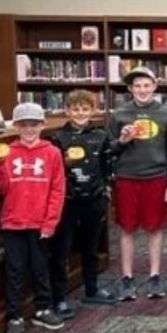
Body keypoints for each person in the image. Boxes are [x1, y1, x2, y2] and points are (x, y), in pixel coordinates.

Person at [0, 102, 66, 333]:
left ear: (42, 125)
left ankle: (43, 308)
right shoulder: (7, 152)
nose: (29, 129)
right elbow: (1, 189)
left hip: (40, 223)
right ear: (16, 126)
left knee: (41, 268)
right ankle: (15, 315)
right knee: (15, 270)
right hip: (13, 221)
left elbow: (57, 190)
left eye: (34, 124)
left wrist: (50, 222)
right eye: (24, 125)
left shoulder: (52, 153)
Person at [107, 65, 167, 301]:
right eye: (137, 86)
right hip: (126, 177)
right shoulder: (118, 114)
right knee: (127, 228)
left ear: (155, 87)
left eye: (147, 85)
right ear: (130, 88)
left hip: (156, 177)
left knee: (155, 227)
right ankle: (127, 277)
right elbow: (109, 149)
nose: (142, 90)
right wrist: (123, 140)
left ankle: (154, 275)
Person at [49, 89, 116, 317]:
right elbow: (54, 171)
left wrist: (105, 191)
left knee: (91, 247)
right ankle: (59, 298)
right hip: (67, 201)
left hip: (94, 198)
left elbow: (107, 166)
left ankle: (92, 288)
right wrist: (65, 163)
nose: (80, 113)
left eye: (85, 109)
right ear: (67, 111)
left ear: (93, 111)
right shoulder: (58, 138)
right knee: (61, 249)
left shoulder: (101, 136)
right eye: (75, 109)